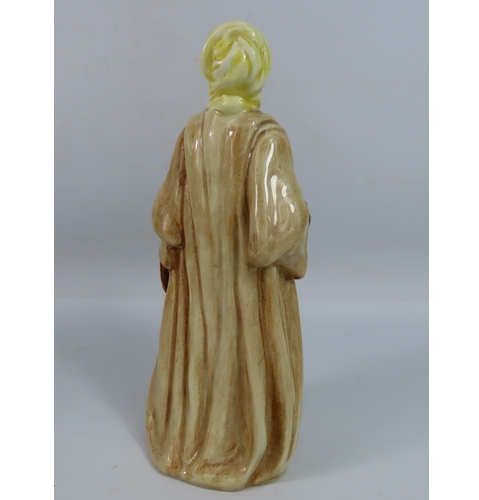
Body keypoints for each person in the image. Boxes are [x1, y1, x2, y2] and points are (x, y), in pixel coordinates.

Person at [145, 21, 310, 491]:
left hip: (200, 290)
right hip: (246, 293)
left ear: (211, 72)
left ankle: (188, 440)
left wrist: (175, 255)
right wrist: (304, 218)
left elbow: (167, 218)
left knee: (200, 352)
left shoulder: (192, 133)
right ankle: (240, 443)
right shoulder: (266, 138)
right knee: (243, 355)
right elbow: (273, 234)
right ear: (260, 72)